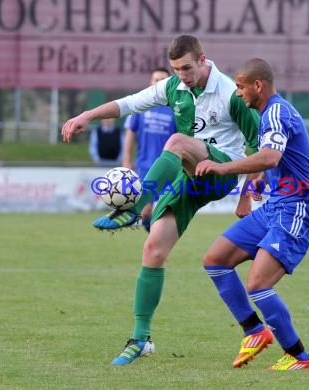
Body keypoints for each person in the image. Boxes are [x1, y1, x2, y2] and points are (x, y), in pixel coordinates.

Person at [61, 35, 260, 366]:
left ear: (202, 60)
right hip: (191, 177)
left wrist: (246, 198)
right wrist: (87, 115)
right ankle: (141, 339)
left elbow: (260, 148)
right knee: (153, 249)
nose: (182, 75)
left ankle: (134, 209)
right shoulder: (173, 88)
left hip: (223, 170)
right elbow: (128, 103)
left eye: (186, 68)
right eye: (175, 69)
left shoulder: (230, 93)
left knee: (178, 141)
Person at [195, 58, 309, 370]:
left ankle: (298, 356)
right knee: (215, 259)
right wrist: (248, 194)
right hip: (274, 207)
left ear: (257, 86)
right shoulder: (269, 113)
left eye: (240, 87)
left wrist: (223, 167)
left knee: (257, 285)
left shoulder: (277, 111)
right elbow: (273, 159)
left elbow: (269, 157)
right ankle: (254, 331)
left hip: (296, 209)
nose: (237, 94)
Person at [122, 68, 177, 232]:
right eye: (155, 79)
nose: (158, 82)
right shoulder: (142, 104)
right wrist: (127, 159)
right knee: (145, 213)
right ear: (150, 82)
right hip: (145, 166)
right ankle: (154, 243)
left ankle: (157, 248)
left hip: (168, 168)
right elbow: (131, 132)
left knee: (160, 212)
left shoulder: (176, 107)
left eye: (163, 80)